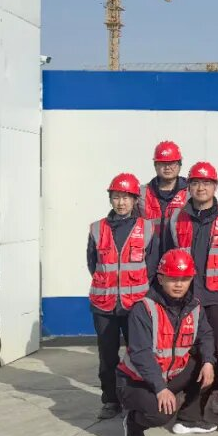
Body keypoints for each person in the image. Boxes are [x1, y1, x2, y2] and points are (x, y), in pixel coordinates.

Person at [118, 249, 216, 436]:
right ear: (161, 278)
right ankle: (133, 422)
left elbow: (205, 335)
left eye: (185, 279)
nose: (179, 284)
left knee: (206, 365)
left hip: (168, 375)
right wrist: (160, 388)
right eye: (172, 279)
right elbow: (141, 353)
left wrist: (208, 362)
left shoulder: (194, 307)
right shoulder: (143, 309)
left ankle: (188, 419)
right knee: (160, 414)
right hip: (136, 381)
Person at [164, 161, 218, 414]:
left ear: (216, 186)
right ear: (189, 187)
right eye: (195, 183)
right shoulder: (176, 218)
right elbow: (167, 255)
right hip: (185, 297)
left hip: (217, 296)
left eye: (206, 183)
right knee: (183, 346)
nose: (201, 188)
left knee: (217, 348)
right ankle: (183, 392)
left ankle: (216, 391)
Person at [87, 172, 161, 419]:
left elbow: (152, 267)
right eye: (117, 197)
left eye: (126, 198)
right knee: (107, 356)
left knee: (138, 354)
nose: (121, 203)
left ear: (135, 200)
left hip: (135, 305)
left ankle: (136, 399)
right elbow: (92, 263)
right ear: (110, 199)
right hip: (104, 305)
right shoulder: (97, 229)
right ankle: (110, 400)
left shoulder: (148, 229)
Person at [138, 140, 189, 226]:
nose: (167, 167)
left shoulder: (191, 192)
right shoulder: (141, 194)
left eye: (172, 163)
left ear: (180, 165)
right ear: (155, 165)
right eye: (162, 163)